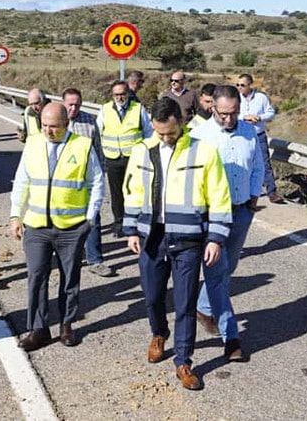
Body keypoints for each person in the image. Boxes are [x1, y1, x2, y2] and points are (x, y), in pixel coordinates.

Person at [124, 98, 232, 391]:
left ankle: (183, 361)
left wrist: (216, 238)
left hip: (188, 239)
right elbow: (133, 191)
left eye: (170, 133)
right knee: (152, 296)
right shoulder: (142, 150)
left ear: (181, 123)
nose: (165, 138)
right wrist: (131, 230)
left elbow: (219, 196)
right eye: (159, 133)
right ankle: (159, 333)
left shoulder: (204, 152)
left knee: (185, 302)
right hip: (152, 237)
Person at [11, 103, 104, 351]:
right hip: (37, 225)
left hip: (71, 227)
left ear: (67, 124)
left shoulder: (82, 146)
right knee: (36, 276)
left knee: (69, 278)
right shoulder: (33, 144)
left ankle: (66, 325)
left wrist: (90, 218)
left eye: (54, 126)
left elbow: (96, 182)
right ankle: (39, 329)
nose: (48, 131)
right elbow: (21, 181)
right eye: (44, 125)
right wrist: (15, 215)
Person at [190, 85, 264, 362]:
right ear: (213, 108)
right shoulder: (200, 136)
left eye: (233, 113)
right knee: (216, 274)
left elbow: (257, 166)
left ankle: (203, 306)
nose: (228, 119)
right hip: (213, 217)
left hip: (242, 212)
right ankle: (230, 335)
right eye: (223, 114)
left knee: (228, 268)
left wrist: (253, 198)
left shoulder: (249, 132)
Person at [63, 88, 113, 277]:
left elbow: (98, 148)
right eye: (70, 104)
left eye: (77, 104)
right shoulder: (56, 119)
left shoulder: (89, 121)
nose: (73, 108)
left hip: (86, 179)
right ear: (63, 103)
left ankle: (95, 260)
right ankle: (67, 258)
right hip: (63, 181)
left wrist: (100, 174)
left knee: (93, 219)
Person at [97, 79, 152, 236]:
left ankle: (136, 222)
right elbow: (98, 132)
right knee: (116, 194)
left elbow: (148, 132)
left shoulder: (138, 109)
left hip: (133, 159)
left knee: (135, 191)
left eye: (122, 94)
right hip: (113, 158)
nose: (119, 97)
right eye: (116, 95)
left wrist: (146, 153)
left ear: (127, 93)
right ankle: (119, 223)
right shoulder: (105, 110)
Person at [237, 74, 284, 204]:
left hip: (258, 135)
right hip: (242, 135)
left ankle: (272, 192)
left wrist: (259, 117)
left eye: (242, 85)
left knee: (264, 163)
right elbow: (232, 114)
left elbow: (270, 113)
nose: (240, 88)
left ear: (250, 85)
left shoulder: (261, 98)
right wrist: (244, 118)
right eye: (238, 85)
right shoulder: (236, 98)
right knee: (243, 163)